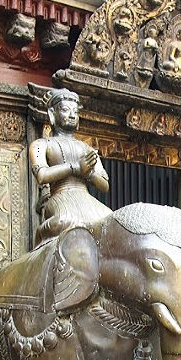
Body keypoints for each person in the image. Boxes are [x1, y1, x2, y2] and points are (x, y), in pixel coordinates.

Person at [29, 88, 112, 246]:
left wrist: (88, 174)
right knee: (66, 222)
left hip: (86, 197)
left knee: (110, 222)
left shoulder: (86, 148)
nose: (72, 115)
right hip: (60, 196)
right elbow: (42, 175)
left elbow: (105, 184)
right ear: (52, 114)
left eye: (75, 111)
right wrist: (75, 168)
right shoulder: (42, 144)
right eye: (66, 110)